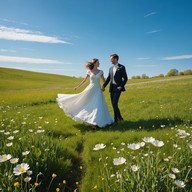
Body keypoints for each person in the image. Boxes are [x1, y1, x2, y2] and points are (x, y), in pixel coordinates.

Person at [57, 58, 114, 128]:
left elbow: (104, 80)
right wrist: (78, 87)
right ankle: (89, 119)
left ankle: (94, 123)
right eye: (98, 62)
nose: (99, 64)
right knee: (85, 102)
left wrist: (103, 87)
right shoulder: (89, 71)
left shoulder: (101, 71)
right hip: (90, 89)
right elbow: (84, 81)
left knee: (98, 105)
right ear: (95, 63)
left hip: (98, 90)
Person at [102, 54, 128, 123]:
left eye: (111, 59)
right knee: (114, 104)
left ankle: (115, 120)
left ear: (115, 59)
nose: (110, 60)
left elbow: (125, 78)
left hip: (118, 88)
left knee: (114, 103)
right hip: (111, 88)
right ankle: (120, 118)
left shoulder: (122, 67)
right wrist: (103, 86)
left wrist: (121, 86)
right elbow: (108, 78)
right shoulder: (110, 68)